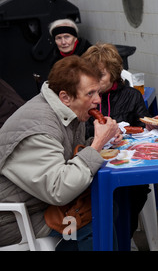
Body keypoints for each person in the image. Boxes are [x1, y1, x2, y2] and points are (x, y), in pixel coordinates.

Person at [0, 56, 121, 250]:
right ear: (65, 96)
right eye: (90, 93)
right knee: (92, 221)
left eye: (98, 92)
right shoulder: (39, 128)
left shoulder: (67, 109)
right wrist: (97, 143)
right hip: (13, 218)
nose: (98, 100)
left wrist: (103, 141)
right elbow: (59, 190)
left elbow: (70, 154)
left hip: (39, 202)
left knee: (108, 206)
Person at [82, 43, 151, 241]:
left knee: (136, 190)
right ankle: (107, 238)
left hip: (127, 160)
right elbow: (79, 131)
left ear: (113, 73)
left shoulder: (131, 96)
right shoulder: (84, 99)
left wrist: (145, 128)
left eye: (100, 76)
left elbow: (143, 125)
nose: (94, 81)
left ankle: (123, 237)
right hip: (93, 162)